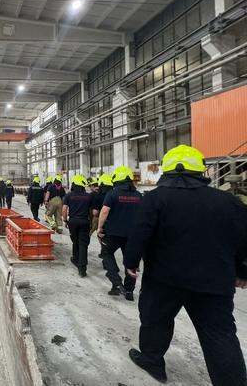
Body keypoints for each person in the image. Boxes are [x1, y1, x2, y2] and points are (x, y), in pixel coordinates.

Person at [124, 145, 247, 385]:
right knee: (220, 335)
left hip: (164, 279)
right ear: (201, 171)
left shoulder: (155, 199)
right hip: (214, 282)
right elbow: (243, 239)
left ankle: (153, 362)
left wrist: (131, 262)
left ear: (166, 171)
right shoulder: (228, 202)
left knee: (155, 321)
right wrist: (243, 271)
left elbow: (140, 233)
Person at [96, 166, 142, 301]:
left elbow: (104, 211)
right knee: (131, 261)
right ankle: (129, 291)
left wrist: (99, 228)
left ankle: (116, 282)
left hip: (113, 233)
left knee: (106, 253)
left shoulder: (113, 193)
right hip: (132, 235)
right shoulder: (138, 195)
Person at [63, 174, 93, 277]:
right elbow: (91, 211)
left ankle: (76, 259)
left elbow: (64, 209)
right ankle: (82, 269)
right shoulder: (89, 196)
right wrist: (90, 221)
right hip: (84, 221)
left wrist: (65, 220)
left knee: (75, 241)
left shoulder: (69, 195)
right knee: (83, 244)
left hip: (73, 221)